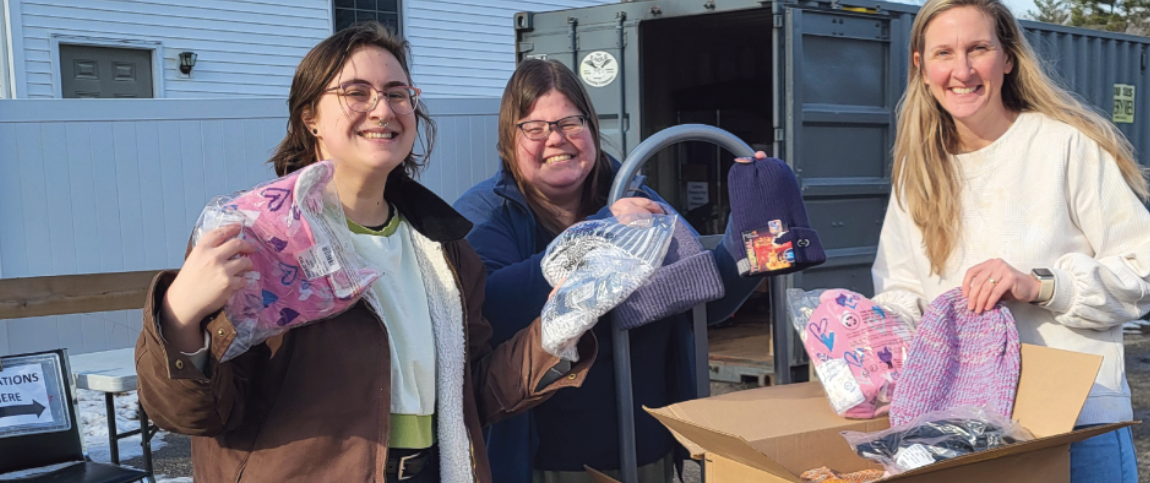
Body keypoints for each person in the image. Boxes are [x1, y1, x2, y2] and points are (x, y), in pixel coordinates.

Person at [134, 23, 596, 483]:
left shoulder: (443, 250)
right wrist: (179, 317)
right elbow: (196, 414)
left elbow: (470, 395)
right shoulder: (263, 234)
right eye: (357, 92)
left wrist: (553, 333)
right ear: (309, 115)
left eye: (397, 94)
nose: (383, 109)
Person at [871, 0, 1150, 481]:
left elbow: (1141, 266)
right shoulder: (915, 173)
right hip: (961, 432)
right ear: (920, 65)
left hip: (1074, 421)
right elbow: (902, 292)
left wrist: (1042, 285)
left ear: (1008, 58)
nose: (962, 70)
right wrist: (865, 335)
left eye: (978, 48)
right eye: (944, 53)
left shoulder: (1064, 146)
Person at [453, 59, 765, 483]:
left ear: (592, 127)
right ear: (509, 139)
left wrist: (751, 237)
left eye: (570, 122)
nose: (556, 139)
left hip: (646, 454)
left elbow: (704, 300)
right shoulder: (486, 214)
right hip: (545, 464)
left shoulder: (634, 196)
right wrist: (595, 237)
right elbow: (488, 309)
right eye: (535, 127)